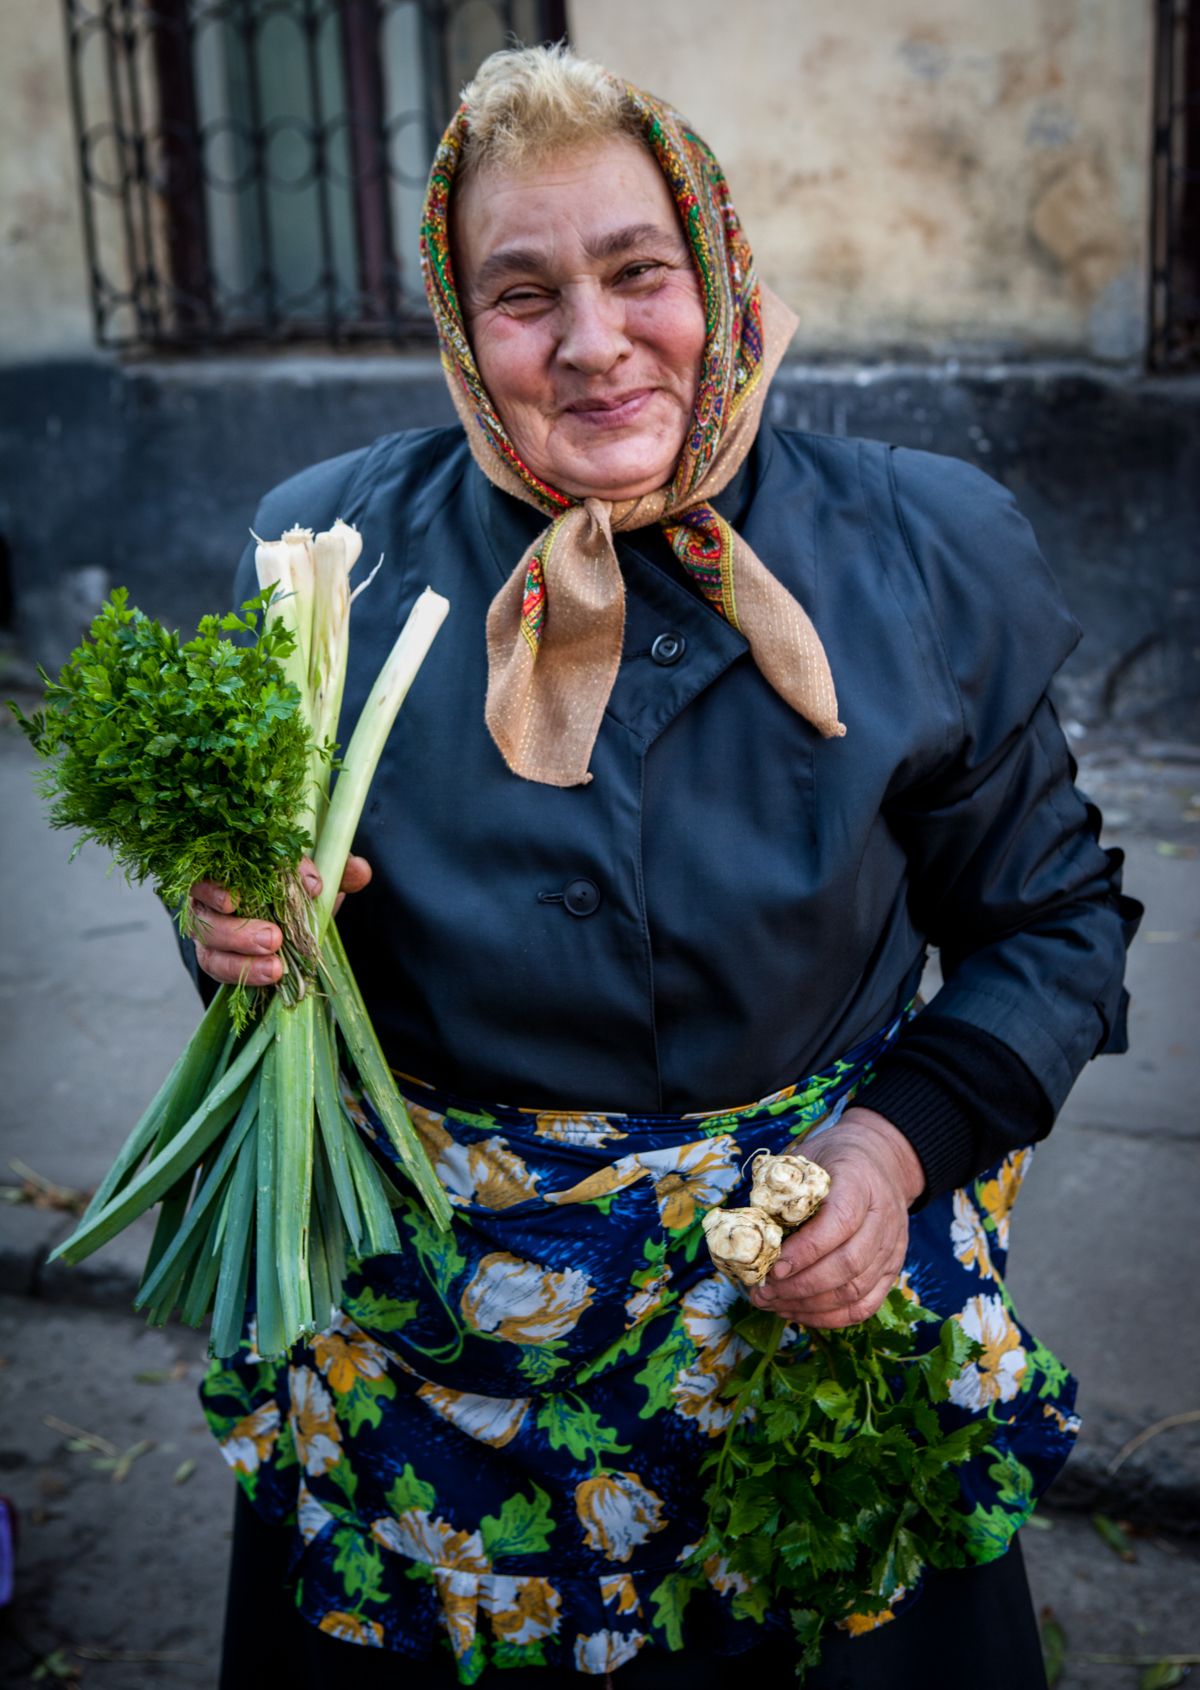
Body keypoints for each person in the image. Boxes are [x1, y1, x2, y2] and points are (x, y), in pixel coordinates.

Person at [187, 45, 1139, 1689]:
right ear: (458, 328)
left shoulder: (916, 547)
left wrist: (894, 1155)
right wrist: (230, 935)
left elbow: (1053, 925)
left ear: (718, 268)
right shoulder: (323, 566)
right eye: (521, 293)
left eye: (641, 270)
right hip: (435, 1378)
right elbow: (261, 950)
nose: (593, 340)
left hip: (812, 1335)